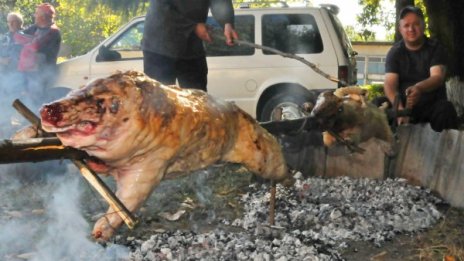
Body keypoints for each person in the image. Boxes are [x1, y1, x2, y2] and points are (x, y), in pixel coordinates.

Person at [381, 5, 458, 132]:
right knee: (377, 106)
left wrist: (419, 88)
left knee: (446, 109)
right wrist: (400, 111)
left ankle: (444, 150)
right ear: (400, 29)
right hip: (402, 105)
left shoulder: (436, 48)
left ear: (423, 26)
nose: (411, 29)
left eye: (416, 24)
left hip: (431, 106)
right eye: (406, 25)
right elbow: (390, 84)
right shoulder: (395, 52)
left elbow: (437, 77)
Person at [142, 0, 239, 91]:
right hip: (159, 48)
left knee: (199, 99)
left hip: (192, 48)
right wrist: (193, 27)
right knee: (158, 98)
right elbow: (161, 10)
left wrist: (227, 22)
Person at [14, 3, 61, 103]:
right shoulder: (35, 27)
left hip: (40, 73)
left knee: (36, 101)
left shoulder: (53, 32)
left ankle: (36, 118)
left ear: (43, 17)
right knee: (25, 99)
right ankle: (25, 118)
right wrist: (31, 40)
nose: (34, 16)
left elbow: (35, 46)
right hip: (28, 71)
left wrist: (28, 42)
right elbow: (17, 36)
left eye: (37, 13)